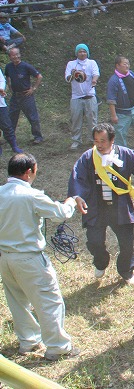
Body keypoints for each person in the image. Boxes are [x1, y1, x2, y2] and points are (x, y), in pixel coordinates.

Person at [0, 153, 82, 361]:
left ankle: (28, 340)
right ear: (29, 172)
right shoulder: (31, 195)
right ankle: (58, 346)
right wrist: (71, 201)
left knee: (17, 300)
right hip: (29, 258)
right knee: (49, 300)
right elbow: (60, 212)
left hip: (5, 257)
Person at [69, 123, 134, 283]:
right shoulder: (88, 157)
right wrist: (77, 196)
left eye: (103, 141)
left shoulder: (125, 154)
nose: (99, 145)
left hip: (120, 206)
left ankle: (126, 271)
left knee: (127, 243)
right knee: (94, 241)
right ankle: (100, 262)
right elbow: (77, 176)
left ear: (112, 140)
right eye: (96, 141)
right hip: (96, 207)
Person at [5, 48, 44, 145]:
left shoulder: (26, 66)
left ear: (20, 55)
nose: (16, 57)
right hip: (15, 96)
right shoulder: (8, 67)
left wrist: (33, 89)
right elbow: (7, 77)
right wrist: (10, 88)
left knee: (33, 117)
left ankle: (38, 137)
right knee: (11, 117)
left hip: (26, 96)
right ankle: (10, 138)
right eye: (13, 55)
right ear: (10, 57)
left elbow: (39, 76)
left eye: (17, 54)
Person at [65, 43, 99, 150]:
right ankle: (76, 140)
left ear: (87, 53)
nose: (82, 53)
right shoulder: (71, 64)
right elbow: (67, 79)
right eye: (80, 51)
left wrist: (94, 80)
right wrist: (72, 74)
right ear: (76, 53)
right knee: (75, 120)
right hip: (76, 97)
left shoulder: (92, 62)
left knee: (92, 120)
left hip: (90, 96)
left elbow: (96, 73)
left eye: (84, 51)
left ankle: (94, 140)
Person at [0, 67, 23, 156]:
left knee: (7, 125)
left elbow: (2, 81)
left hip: (0, 105)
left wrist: (1, 89)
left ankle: (14, 146)